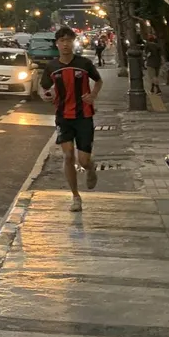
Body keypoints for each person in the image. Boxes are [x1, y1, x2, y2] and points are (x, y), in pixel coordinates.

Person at [40, 25, 103, 212]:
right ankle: (76, 197)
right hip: (63, 116)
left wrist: (93, 95)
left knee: (83, 161)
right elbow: (43, 87)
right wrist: (45, 95)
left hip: (84, 116)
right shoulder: (52, 67)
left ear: (73, 42)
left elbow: (98, 81)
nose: (65, 44)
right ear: (57, 44)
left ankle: (91, 168)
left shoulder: (83, 63)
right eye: (62, 41)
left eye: (68, 40)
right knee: (68, 156)